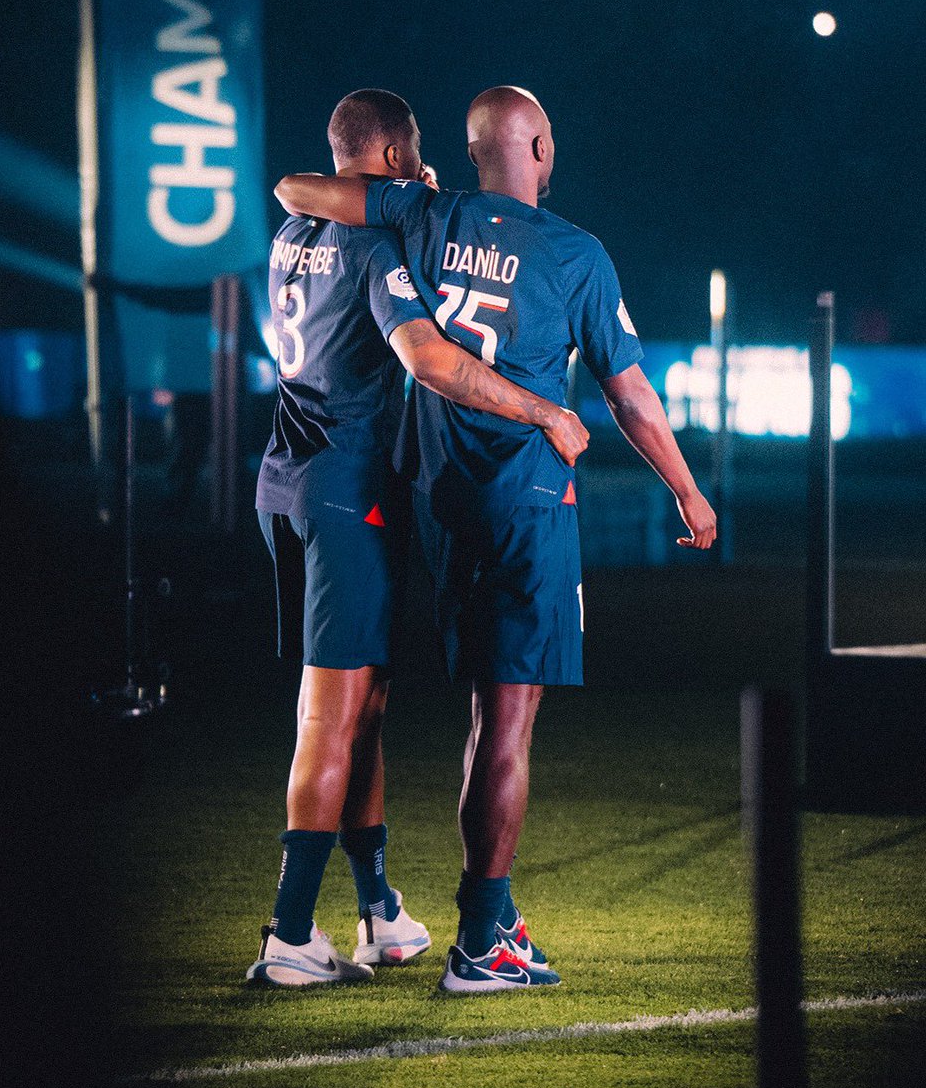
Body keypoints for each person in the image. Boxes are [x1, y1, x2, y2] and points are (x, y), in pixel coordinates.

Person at [274, 86, 717, 993]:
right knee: (505, 724)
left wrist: (412, 191)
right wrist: (686, 488)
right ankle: (481, 940)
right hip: (526, 502)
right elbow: (627, 395)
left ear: (471, 152)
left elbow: (300, 191)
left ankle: (443, 914)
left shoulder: (424, 214)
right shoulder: (576, 254)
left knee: (456, 714)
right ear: (543, 148)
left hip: (437, 504)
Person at [248, 89, 590, 988]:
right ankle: (288, 934)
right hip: (345, 489)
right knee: (331, 712)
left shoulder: (294, 234)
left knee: (363, 703)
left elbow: (301, 196)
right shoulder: (373, 241)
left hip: (282, 480)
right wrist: (542, 409)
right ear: (398, 159)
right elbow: (429, 359)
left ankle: (378, 910)